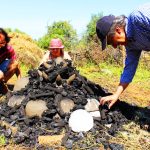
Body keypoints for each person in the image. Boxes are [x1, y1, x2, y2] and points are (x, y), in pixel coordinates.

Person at [96, 3, 150, 109]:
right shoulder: (131, 44)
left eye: (112, 41)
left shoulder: (139, 17)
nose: (115, 47)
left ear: (118, 30)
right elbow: (129, 69)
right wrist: (116, 94)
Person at [0, 28, 21, 94]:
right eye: (0, 43)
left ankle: (2, 84)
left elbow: (16, 64)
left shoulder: (8, 48)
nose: (2, 45)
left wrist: (20, 81)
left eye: (3, 42)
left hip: (1, 66)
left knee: (14, 63)